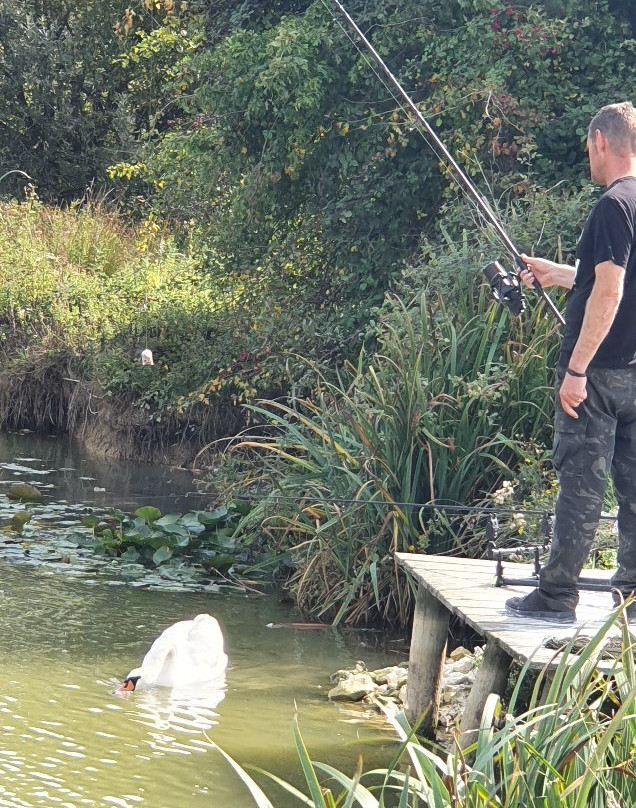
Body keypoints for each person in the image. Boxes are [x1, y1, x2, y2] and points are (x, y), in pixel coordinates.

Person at [506, 101, 636, 623]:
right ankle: (631, 597)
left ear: (601, 142)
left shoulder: (612, 206)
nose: (589, 156)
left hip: (599, 375)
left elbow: (609, 290)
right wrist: (558, 274)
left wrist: (577, 370)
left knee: (581, 484)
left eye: (588, 147)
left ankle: (556, 597)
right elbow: (602, 274)